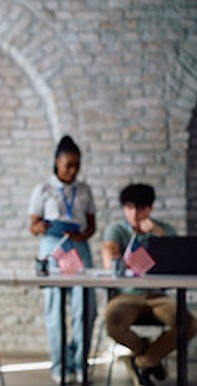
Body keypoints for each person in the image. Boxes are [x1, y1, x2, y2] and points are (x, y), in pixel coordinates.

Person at [102, 183, 197, 386]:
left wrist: (156, 232)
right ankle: (148, 354)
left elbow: (180, 257)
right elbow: (109, 260)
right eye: (129, 208)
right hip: (126, 296)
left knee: (188, 324)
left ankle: (143, 362)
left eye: (140, 208)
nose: (134, 214)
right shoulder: (116, 230)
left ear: (150, 209)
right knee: (112, 321)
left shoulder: (162, 230)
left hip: (157, 296)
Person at [28, 135, 97, 384]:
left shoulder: (85, 190)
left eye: (77, 165)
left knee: (85, 310)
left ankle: (80, 363)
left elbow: (92, 226)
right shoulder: (43, 190)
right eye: (68, 165)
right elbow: (32, 226)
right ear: (56, 162)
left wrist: (81, 234)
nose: (73, 170)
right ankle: (60, 366)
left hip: (79, 248)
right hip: (52, 248)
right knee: (54, 310)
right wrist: (44, 225)